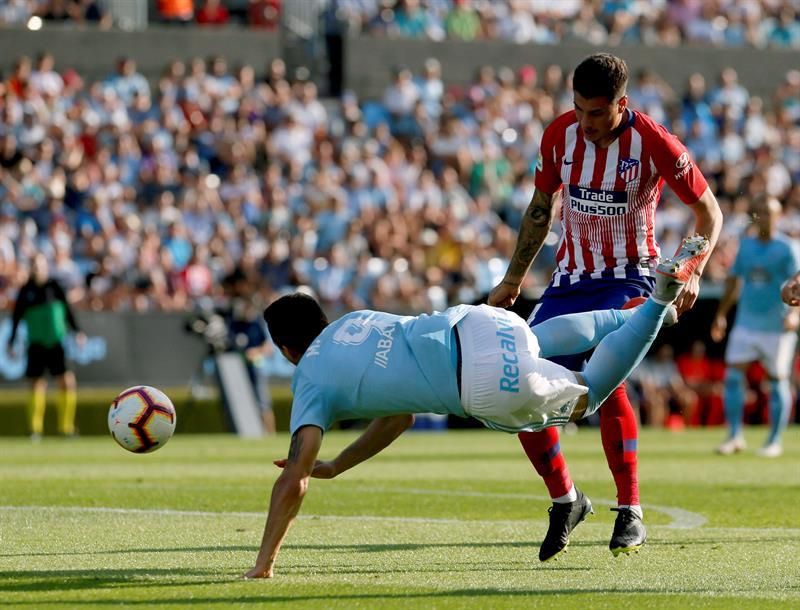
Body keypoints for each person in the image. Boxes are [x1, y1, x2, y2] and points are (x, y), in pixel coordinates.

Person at [242, 236, 709, 578]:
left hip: (480, 384)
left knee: (592, 392)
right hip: (477, 322)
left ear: (286, 349)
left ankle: (657, 301)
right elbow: (398, 416)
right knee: (536, 340)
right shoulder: (353, 320)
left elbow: (294, 477)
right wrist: (339, 465)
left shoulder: (309, 377)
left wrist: (264, 562)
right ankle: (637, 312)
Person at [487, 53, 722, 560]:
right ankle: (566, 499)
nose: (585, 122)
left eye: (596, 113)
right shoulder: (560, 135)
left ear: (622, 103)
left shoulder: (655, 142)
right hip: (569, 282)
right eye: (578, 110)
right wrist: (513, 278)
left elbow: (709, 212)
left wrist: (695, 269)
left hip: (630, 279)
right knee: (520, 382)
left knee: (603, 377)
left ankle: (630, 508)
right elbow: (541, 208)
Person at [711, 196, 800, 457]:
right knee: (733, 376)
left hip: (777, 324)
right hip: (746, 321)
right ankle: (734, 436)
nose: (765, 217)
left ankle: (774, 440)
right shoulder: (746, 245)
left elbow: (797, 284)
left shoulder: (788, 248)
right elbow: (734, 281)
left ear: (779, 216)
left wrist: (795, 315)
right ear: (756, 216)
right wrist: (721, 314)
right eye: (760, 212)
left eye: (770, 212)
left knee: (777, 380)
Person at [6, 254, 85, 440]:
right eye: (33, 265)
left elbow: (68, 310)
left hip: (56, 342)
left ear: (45, 267)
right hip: (36, 343)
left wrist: (77, 331)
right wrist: (11, 342)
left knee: (66, 382)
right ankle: (35, 429)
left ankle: (66, 427)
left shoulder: (55, 286)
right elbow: (16, 318)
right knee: (36, 383)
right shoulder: (26, 291)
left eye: (39, 265)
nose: (37, 268)